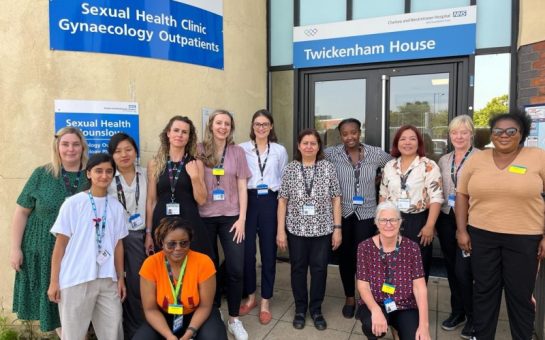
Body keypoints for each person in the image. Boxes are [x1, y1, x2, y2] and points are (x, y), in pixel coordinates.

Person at [456, 111, 545, 340]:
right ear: (491, 135)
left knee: (520, 295)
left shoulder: (537, 157)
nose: (503, 135)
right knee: (484, 291)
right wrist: (462, 230)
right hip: (482, 236)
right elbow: (462, 195)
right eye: (498, 131)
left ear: (522, 133)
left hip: (525, 238)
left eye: (510, 131)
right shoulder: (477, 158)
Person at [10, 127, 89, 336]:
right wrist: (15, 248)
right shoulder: (42, 174)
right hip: (41, 248)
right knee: (52, 300)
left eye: (75, 144)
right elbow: (21, 212)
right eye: (65, 144)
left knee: (71, 302)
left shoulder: (91, 174)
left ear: (83, 147)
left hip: (76, 249)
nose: (70, 149)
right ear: (57, 147)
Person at [47, 153, 128, 339]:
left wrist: (120, 278)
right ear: (89, 174)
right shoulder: (73, 204)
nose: (104, 175)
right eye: (98, 171)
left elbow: (118, 246)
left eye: (109, 171)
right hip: (76, 279)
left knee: (113, 332)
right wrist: (54, 282)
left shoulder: (116, 207)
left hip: (108, 280)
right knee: (73, 335)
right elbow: (60, 246)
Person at [325, 118, 392, 318]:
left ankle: (365, 297)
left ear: (359, 132)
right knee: (345, 257)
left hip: (367, 213)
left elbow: (394, 166)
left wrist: (379, 180)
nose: (350, 137)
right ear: (340, 136)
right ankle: (349, 297)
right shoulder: (331, 154)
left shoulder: (375, 153)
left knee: (365, 257)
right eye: (345, 134)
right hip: (343, 213)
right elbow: (312, 159)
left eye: (353, 132)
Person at [277, 128, 342, 331]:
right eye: (305, 143)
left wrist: (337, 228)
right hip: (296, 230)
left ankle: (316, 309)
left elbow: (336, 199)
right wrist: (281, 231)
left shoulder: (328, 168)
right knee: (297, 270)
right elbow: (282, 202)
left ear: (318, 146)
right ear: (298, 146)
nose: (309, 146)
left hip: (322, 230)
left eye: (313, 143)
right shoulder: (290, 169)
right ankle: (299, 309)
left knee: (319, 270)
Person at [198, 109, 251, 340]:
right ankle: (213, 312)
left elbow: (242, 187)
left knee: (236, 268)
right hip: (205, 217)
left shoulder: (237, 152)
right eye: (218, 123)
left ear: (231, 128)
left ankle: (234, 319)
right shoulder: (199, 150)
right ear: (211, 125)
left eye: (227, 124)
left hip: (231, 216)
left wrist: (242, 219)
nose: (222, 127)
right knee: (208, 268)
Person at [133, 217, 227, 340]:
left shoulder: (204, 262)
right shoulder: (150, 264)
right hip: (164, 316)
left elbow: (205, 306)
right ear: (161, 243)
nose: (178, 248)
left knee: (213, 337)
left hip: (197, 313)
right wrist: (169, 336)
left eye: (184, 243)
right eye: (171, 244)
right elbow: (150, 309)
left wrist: (189, 334)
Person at [239, 109, 288, 324]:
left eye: (265, 124)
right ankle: (251, 297)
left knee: (268, 254)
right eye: (257, 124)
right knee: (247, 253)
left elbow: (284, 183)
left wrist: (281, 224)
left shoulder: (279, 150)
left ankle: (265, 300)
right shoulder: (241, 149)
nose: (261, 127)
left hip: (270, 200)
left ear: (271, 127)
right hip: (247, 201)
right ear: (252, 126)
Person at [356, 201, 430, 340]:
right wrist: (376, 310)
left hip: (405, 304)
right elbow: (363, 285)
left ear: (400, 222)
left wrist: (424, 325)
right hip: (377, 302)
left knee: (416, 337)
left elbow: (420, 288)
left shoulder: (412, 248)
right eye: (383, 220)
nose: (388, 224)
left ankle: (397, 328)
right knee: (371, 325)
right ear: (376, 223)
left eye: (393, 220)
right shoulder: (364, 247)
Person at [379, 125, 443, 280]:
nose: (407, 142)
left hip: (418, 222)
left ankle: (415, 303)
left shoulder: (428, 165)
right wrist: (380, 223)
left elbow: (436, 197)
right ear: (397, 143)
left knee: (417, 267)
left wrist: (429, 226)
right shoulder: (390, 166)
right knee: (391, 264)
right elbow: (383, 195)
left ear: (419, 143)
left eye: (412, 139)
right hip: (392, 220)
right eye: (403, 139)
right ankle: (394, 302)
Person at [436, 115, 479, 338]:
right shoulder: (444, 160)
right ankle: (457, 312)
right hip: (446, 217)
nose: (459, 136)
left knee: (466, 270)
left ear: (471, 133)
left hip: (472, 220)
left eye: (463, 132)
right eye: (455, 132)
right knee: (452, 268)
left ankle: (474, 316)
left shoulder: (482, 158)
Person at [146, 116, 212, 258]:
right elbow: (151, 201)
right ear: (168, 133)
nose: (180, 135)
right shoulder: (154, 164)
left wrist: (194, 177)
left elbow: (201, 200)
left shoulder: (196, 163)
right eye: (176, 130)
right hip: (161, 223)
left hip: (189, 223)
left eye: (184, 132)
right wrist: (148, 233)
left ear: (189, 137)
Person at [107, 132, 148, 339]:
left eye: (128, 149)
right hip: (119, 239)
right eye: (117, 151)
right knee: (126, 287)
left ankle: (141, 329)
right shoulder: (107, 179)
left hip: (145, 235)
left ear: (135, 151)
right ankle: (132, 331)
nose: (124, 155)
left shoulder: (147, 174)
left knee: (141, 286)